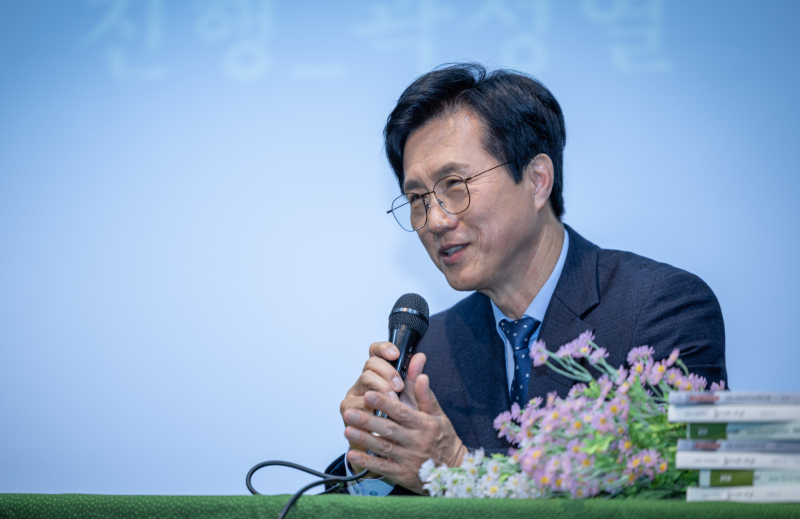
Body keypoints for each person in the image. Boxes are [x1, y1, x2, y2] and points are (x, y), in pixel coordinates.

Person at [326, 63, 727, 496]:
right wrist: (374, 458)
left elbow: (682, 488)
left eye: (454, 185)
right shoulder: (433, 350)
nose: (435, 220)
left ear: (537, 180)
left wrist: (458, 470)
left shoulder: (663, 309)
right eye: (417, 198)